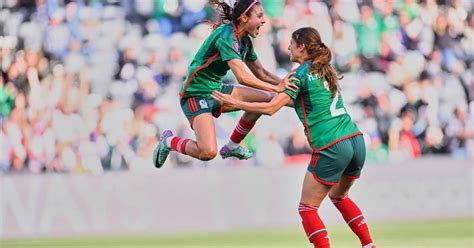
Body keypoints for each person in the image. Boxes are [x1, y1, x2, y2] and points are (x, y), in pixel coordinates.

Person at [212, 27, 376, 248]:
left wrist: (236, 103)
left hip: (332, 145)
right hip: (355, 141)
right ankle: (369, 245)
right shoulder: (324, 69)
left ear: (302, 47)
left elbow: (271, 108)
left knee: (307, 208)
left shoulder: (300, 75)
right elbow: (294, 100)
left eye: (292, 43)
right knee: (339, 197)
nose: (288, 47)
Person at [152, 0, 296, 168]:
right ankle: (169, 141)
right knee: (208, 152)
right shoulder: (227, 36)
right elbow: (243, 77)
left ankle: (232, 146)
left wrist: (287, 85)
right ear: (243, 18)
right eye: (259, 16)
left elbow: (262, 73)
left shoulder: (244, 41)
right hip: (195, 93)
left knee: (266, 99)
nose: (264, 20)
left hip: (215, 90)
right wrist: (278, 88)